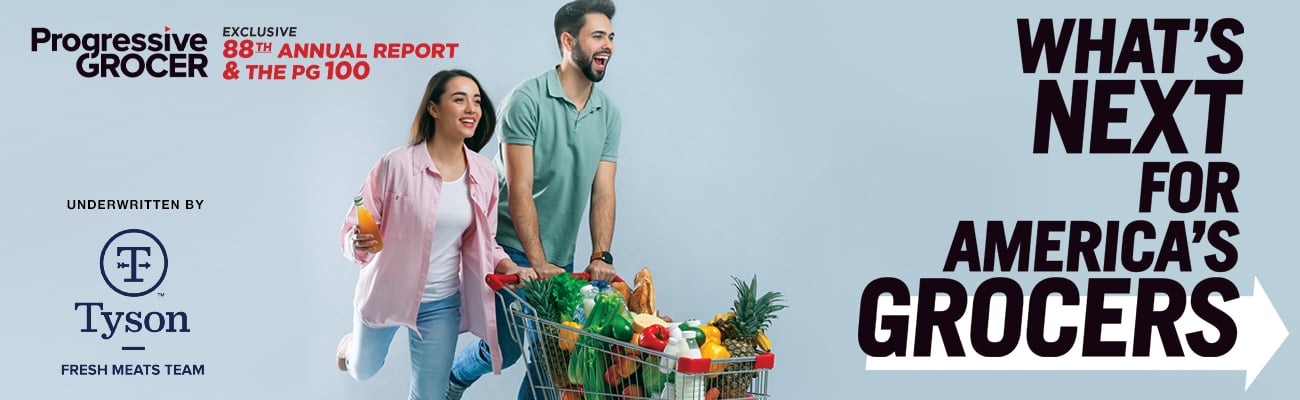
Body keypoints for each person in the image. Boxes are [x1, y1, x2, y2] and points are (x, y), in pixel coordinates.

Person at [446, 1, 622, 399]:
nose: (608, 44)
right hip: (510, 245)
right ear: (568, 40)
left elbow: (604, 190)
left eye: (611, 37)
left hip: (561, 255)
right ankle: (452, 380)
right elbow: (519, 188)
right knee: (507, 352)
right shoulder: (526, 100)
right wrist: (537, 261)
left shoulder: (608, 114)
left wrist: (601, 255)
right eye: (597, 35)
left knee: (550, 361)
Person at [335, 69, 537, 400]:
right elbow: (352, 228)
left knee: (430, 395)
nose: (472, 108)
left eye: (476, 101)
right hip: (386, 293)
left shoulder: (484, 173)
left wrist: (509, 267)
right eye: (459, 99)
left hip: (441, 304)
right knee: (363, 369)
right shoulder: (395, 165)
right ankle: (350, 347)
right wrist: (356, 242)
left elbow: (486, 242)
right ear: (434, 108)